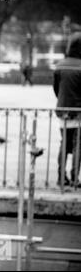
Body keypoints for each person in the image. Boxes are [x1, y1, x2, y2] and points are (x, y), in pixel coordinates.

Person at [53, 32, 81, 188]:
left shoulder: (60, 65)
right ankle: (75, 178)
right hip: (78, 113)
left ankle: (60, 176)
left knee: (64, 144)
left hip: (63, 111)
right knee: (78, 146)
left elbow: (56, 89)